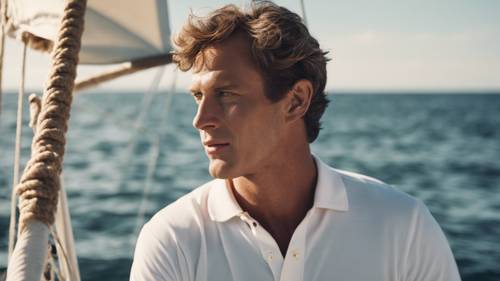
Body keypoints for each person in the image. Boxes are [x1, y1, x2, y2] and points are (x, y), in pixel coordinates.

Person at [130, 1, 461, 280]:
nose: (200, 119)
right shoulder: (172, 240)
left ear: (296, 101)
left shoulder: (403, 226)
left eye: (226, 93)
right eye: (197, 96)